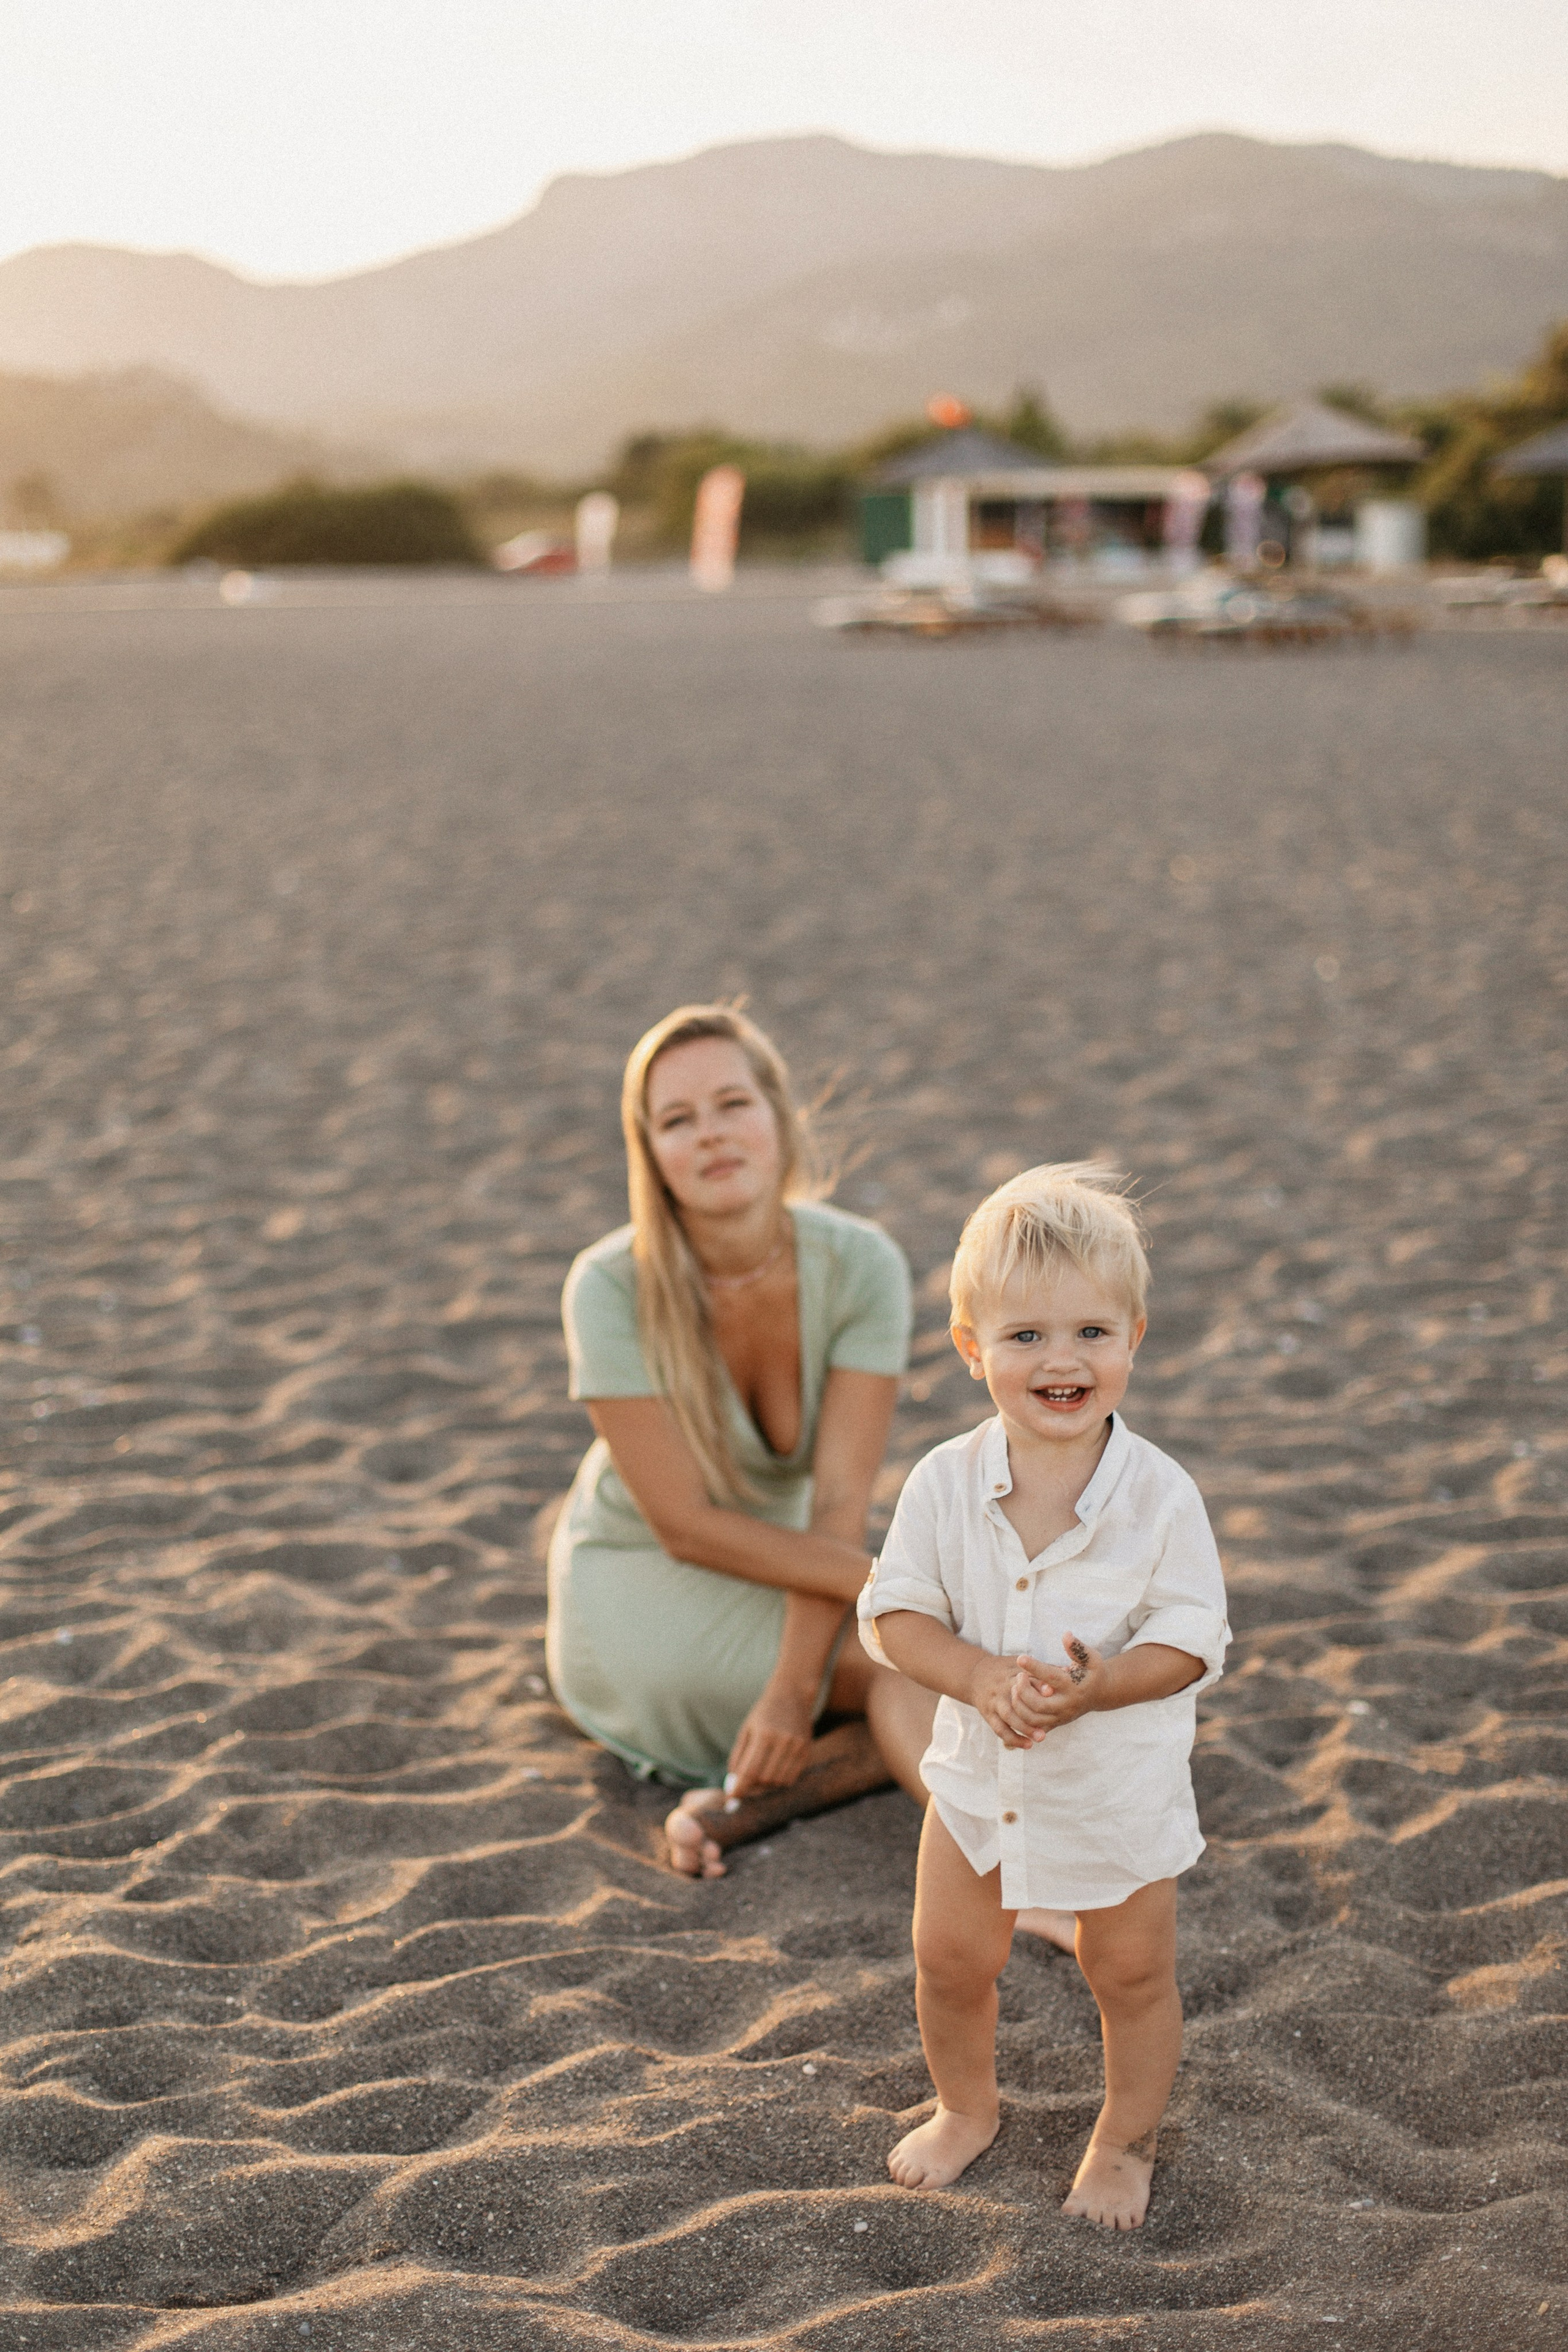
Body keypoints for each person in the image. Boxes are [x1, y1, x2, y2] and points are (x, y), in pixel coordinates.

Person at [858, 1164, 1229, 2228]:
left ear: (1134, 1338)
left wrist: (1106, 1685)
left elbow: (1194, 1641)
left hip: (1115, 1794)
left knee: (1130, 1975)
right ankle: (967, 2107)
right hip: (977, 1789)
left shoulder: (1160, 1497)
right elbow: (891, 1617)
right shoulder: (942, 1483)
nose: (1060, 1359)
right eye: (1025, 1337)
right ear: (972, 1348)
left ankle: (1124, 2139)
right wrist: (974, 1675)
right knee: (949, 1958)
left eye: (1090, 1333)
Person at [547, 1003, 938, 1877]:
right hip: (650, 1568)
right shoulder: (609, 1287)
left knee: (932, 1662)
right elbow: (684, 1523)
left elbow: (840, 1500)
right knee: (917, 1665)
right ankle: (1015, 1877)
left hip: (797, 1552)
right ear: (649, 1153)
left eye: (733, 1104)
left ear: (778, 1115)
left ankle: (744, 1812)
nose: (712, 1135)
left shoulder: (862, 1265)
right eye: (677, 1120)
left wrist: (795, 1690)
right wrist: (901, 1591)